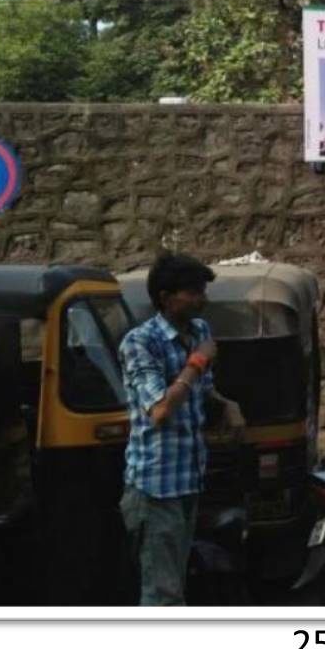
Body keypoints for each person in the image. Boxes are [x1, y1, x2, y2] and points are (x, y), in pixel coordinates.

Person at [119, 252, 244, 605]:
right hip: (155, 489)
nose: (202, 299)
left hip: (188, 479)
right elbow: (160, 409)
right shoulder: (141, 343)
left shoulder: (199, 331)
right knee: (162, 595)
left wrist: (225, 404)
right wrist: (198, 361)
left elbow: (202, 390)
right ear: (165, 297)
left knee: (176, 584)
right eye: (193, 292)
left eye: (202, 290)